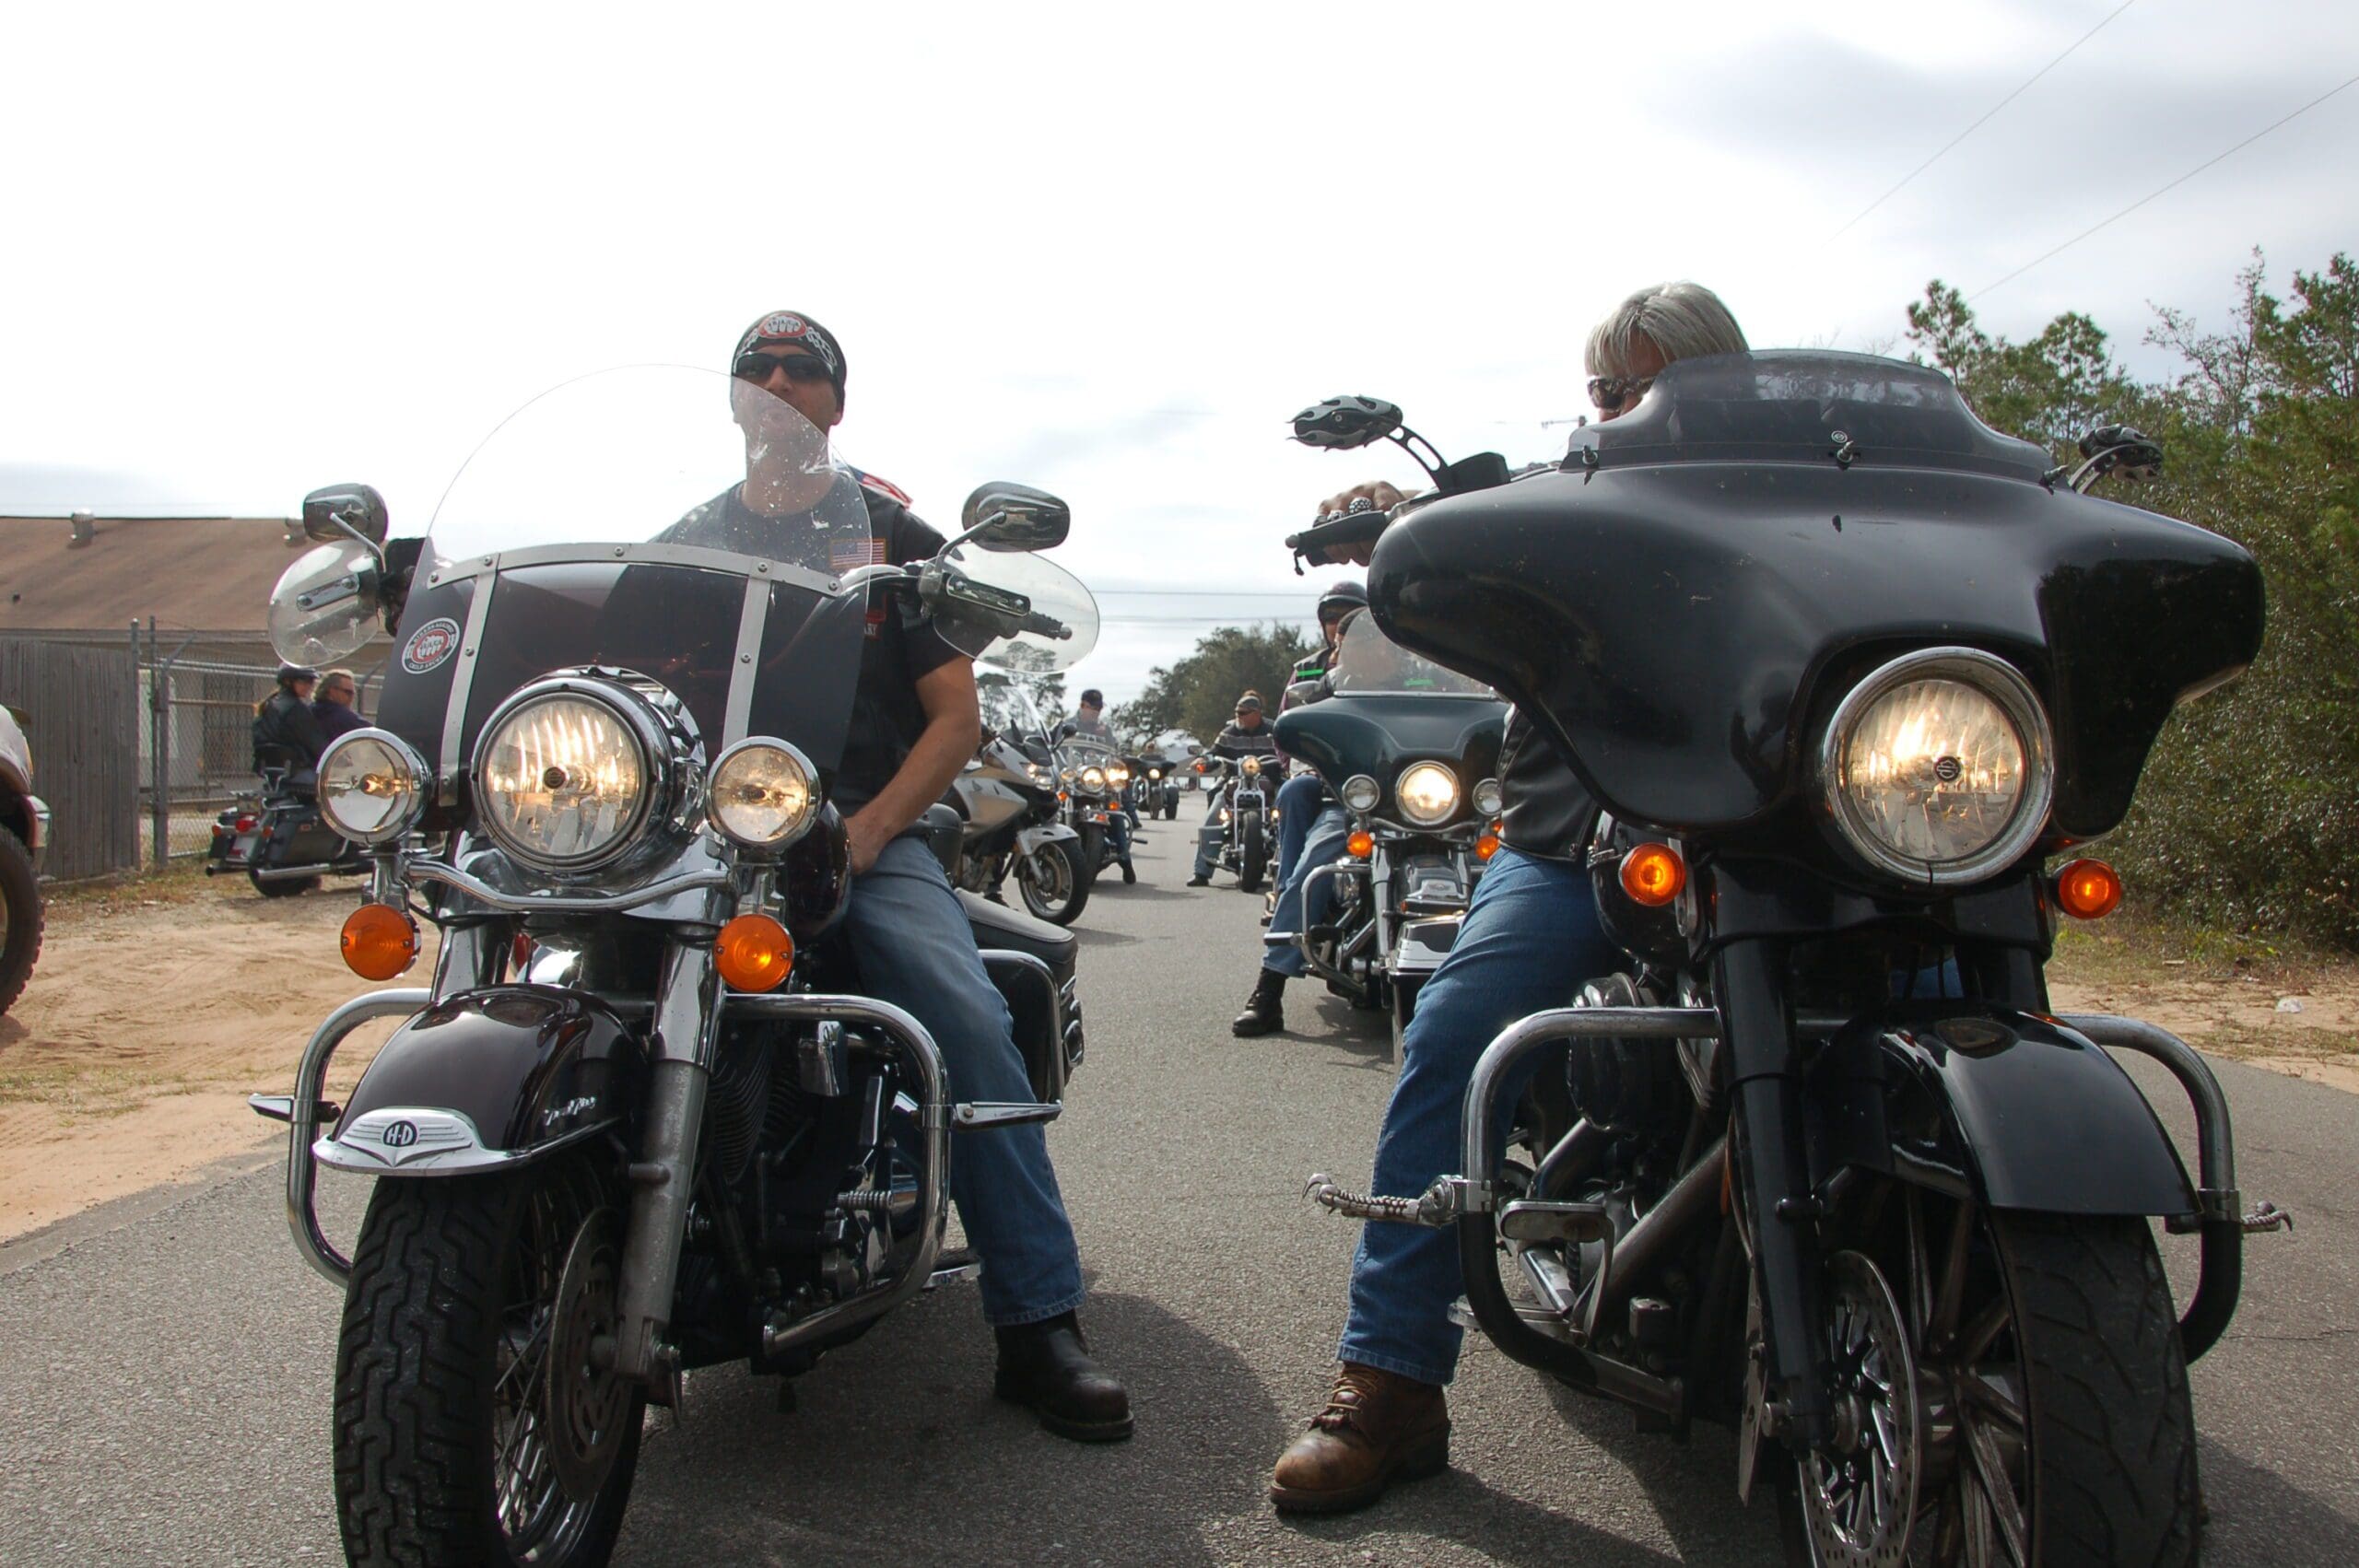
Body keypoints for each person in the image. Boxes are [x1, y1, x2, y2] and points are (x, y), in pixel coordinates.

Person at [1270, 281, 1747, 1513]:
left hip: (1775, 838)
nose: (1623, 406)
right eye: (1607, 388)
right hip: (1584, 835)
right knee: (1458, 1031)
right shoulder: (1565, 504)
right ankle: (1393, 1375)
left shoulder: (1805, 501)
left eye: (1649, 381)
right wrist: (1412, 532)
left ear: (1724, 379)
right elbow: (1467, 564)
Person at [682, 309, 1131, 1441]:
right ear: (733, 396)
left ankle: (1036, 1319)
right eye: (757, 368)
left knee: (960, 1015)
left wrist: (873, 829)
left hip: (854, 829)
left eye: (803, 370)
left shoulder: (893, 538)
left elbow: (954, 718)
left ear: (836, 401)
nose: (778, 383)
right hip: (707, 835)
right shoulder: (685, 542)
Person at [1232, 604, 1377, 1036]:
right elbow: (1291, 731)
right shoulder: (1323, 688)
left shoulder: (1420, 681)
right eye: (1351, 644)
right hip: (1350, 803)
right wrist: (1311, 765)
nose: (1362, 652)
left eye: (1372, 641)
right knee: (1314, 867)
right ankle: (1270, 988)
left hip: (1423, 803)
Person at [1272, 581, 1366, 892]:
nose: (1339, 624)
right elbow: (1285, 728)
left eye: (1350, 616)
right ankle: (1288, 886)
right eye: (1331, 618)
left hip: (1379, 772)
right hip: (1321, 772)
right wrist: (1303, 767)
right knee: (1295, 791)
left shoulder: (1400, 668)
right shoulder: (1307, 671)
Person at [1187, 692, 1280, 886]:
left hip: (1270, 783)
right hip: (1234, 783)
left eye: (1243, 713)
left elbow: (1290, 751)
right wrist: (1204, 760)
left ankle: (1292, 868)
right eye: (1237, 712)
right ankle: (1201, 871)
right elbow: (1214, 753)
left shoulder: (1274, 731)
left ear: (1257, 713)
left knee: (1290, 809)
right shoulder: (1229, 733)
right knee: (1215, 812)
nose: (1239, 716)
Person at [1069, 688, 1136, 884]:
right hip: (1074, 778)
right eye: (1093, 708)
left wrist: (1118, 761)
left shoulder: (1104, 729)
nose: (1096, 712)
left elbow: (1113, 751)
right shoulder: (1067, 725)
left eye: (1099, 709)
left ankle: (1125, 858)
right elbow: (1053, 748)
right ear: (1082, 705)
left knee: (1115, 810)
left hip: (1098, 779)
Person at [252, 663, 330, 772]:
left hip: (269, 771)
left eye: (311, 681)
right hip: (297, 771)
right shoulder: (295, 708)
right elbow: (318, 745)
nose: (309, 685)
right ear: (287, 681)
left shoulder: (268, 705)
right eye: (304, 680)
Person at [312, 669, 367, 743]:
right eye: (348, 692)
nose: (351, 697)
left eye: (353, 693)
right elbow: (373, 737)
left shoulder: (307, 712)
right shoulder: (346, 718)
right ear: (332, 691)